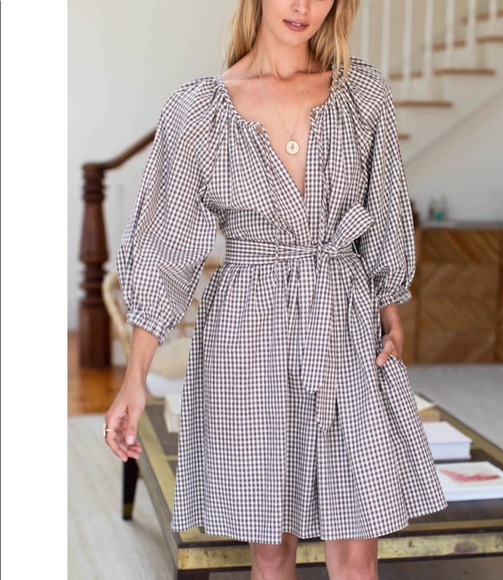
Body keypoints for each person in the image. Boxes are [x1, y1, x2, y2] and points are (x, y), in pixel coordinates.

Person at [104, 0, 447, 577]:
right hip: (247, 329)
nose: (301, 6)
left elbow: (386, 209)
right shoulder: (198, 111)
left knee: (358, 538)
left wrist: (389, 306)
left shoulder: (363, 94)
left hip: (343, 317)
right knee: (269, 546)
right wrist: (135, 377)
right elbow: (165, 249)